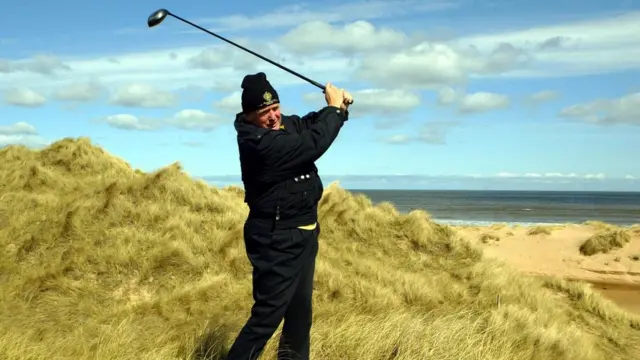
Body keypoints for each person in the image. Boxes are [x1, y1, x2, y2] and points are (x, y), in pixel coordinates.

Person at [225, 72, 352, 360]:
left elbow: (310, 123)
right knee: (266, 319)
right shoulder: (258, 144)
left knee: (299, 316)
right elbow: (312, 144)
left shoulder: (285, 125)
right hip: (276, 238)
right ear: (248, 116)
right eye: (264, 112)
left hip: (304, 233)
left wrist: (338, 109)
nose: (272, 117)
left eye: (275, 108)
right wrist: (334, 110)